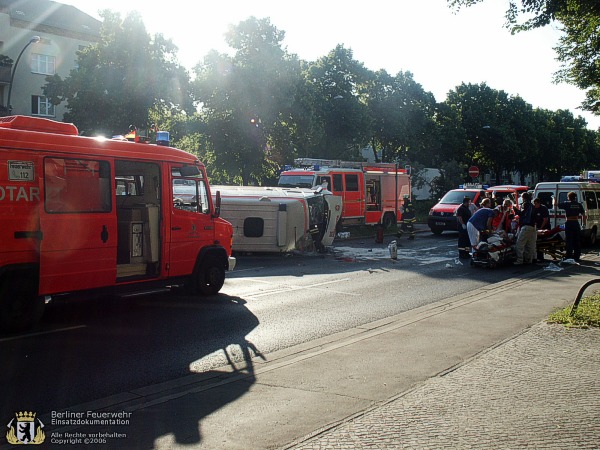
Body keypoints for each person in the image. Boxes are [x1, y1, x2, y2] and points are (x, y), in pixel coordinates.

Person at [558, 191, 585, 262]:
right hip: (576, 222)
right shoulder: (578, 204)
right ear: (575, 197)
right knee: (577, 240)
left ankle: (569, 255)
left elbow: (556, 204)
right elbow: (583, 214)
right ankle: (577, 256)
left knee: (569, 240)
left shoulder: (567, 204)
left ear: (569, 197)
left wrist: (553, 199)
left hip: (569, 222)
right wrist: (583, 223)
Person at [513, 191, 536, 265]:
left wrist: (515, 210)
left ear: (523, 198)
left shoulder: (525, 204)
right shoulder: (532, 205)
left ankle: (520, 260)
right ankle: (529, 259)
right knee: (529, 245)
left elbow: (521, 213)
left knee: (519, 244)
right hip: (532, 227)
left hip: (526, 226)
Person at [533, 197, 550, 262]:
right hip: (538, 227)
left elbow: (545, 220)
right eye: (534, 204)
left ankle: (540, 256)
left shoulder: (543, 208)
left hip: (544, 227)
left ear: (539, 203)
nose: (535, 205)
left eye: (536, 204)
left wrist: (541, 228)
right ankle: (537, 256)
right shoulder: (534, 209)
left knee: (540, 242)